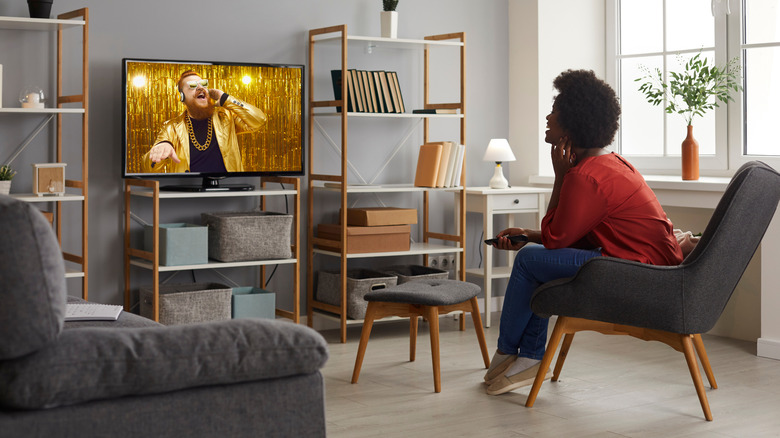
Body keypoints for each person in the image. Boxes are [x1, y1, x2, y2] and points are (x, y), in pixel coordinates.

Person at [483, 69, 683, 396]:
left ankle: (508, 351)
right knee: (537, 260)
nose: (548, 116)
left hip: (638, 273)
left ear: (575, 120)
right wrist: (529, 234)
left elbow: (556, 238)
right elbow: (564, 235)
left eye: (556, 110)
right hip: (646, 264)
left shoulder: (584, 176)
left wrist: (561, 176)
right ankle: (529, 357)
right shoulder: (610, 163)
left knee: (529, 261)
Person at [142, 70, 267, 173]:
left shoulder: (226, 117)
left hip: (228, 188)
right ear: (181, 97)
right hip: (187, 192)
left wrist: (225, 98)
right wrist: (162, 146)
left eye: (203, 84)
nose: (200, 88)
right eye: (192, 86)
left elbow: (259, 120)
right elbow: (148, 169)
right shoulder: (171, 127)